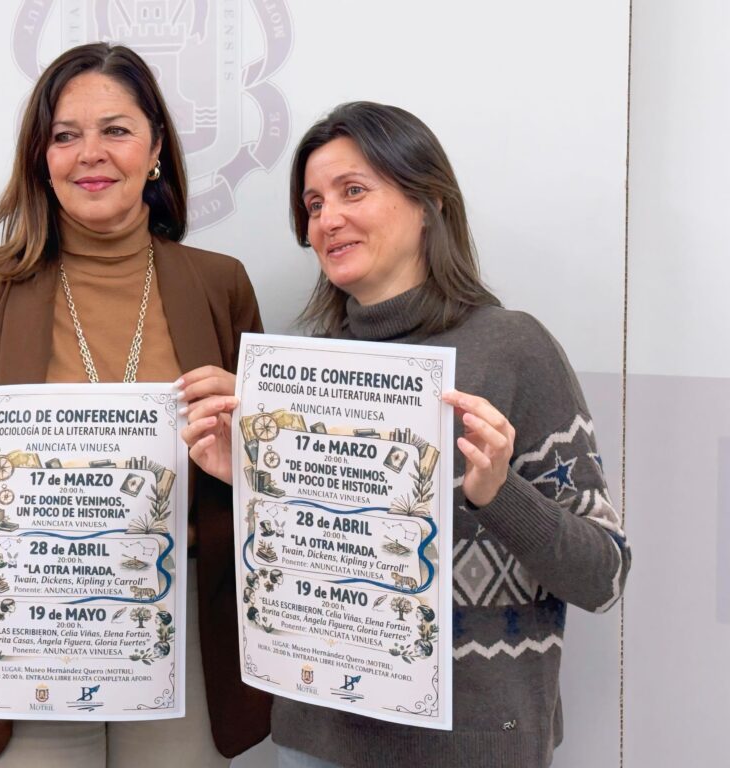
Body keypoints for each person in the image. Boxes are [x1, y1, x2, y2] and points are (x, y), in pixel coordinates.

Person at [179, 102, 630, 768]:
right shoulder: (302, 372)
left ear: (429, 202)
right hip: (315, 739)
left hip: (470, 748)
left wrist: (499, 494)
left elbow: (604, 576)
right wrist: (247, 476)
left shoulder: (515, 350)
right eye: (313, 204)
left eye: (353, 191)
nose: (327, 219)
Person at [0, 43, 270, 766]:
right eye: (65, 134)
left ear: (156, 149)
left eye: (116, 129)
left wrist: (251, 456)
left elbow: (263, 493)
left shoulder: (220, 286)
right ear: (42, 157)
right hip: (26, 640)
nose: (91, 153)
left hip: (183, 643)